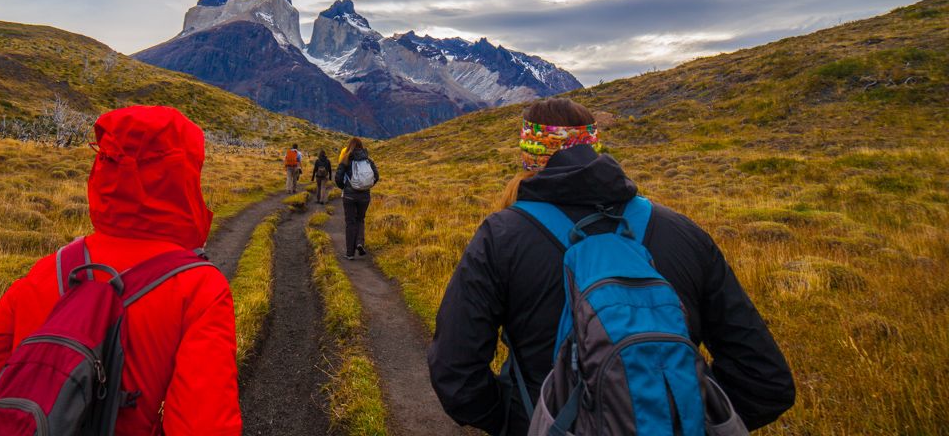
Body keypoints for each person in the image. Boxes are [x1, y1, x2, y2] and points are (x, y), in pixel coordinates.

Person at [427, 98, 794, 435]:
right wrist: (685, 417)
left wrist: (518, 421)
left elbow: (455, 372)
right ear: (594, 146)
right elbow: (765, 381)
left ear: (530, 153)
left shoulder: (502, 236)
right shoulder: (681, 231)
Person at [0, 106, 242, 435]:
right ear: (181, 177)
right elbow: (203, 425)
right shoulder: (201, 288)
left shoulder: (49, 270)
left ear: (105, 169)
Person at [335, 137, 379, 260]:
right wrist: (367, 186)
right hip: (364, 196)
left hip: (349, 195)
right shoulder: (368, 160)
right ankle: (359, 242)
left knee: (350, 222)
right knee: (360, 219)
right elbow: (376, 176)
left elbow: (338, 177)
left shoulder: (345, 159)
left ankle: (349, 253)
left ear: (350, 146)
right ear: (361, 146)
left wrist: (344, 187)